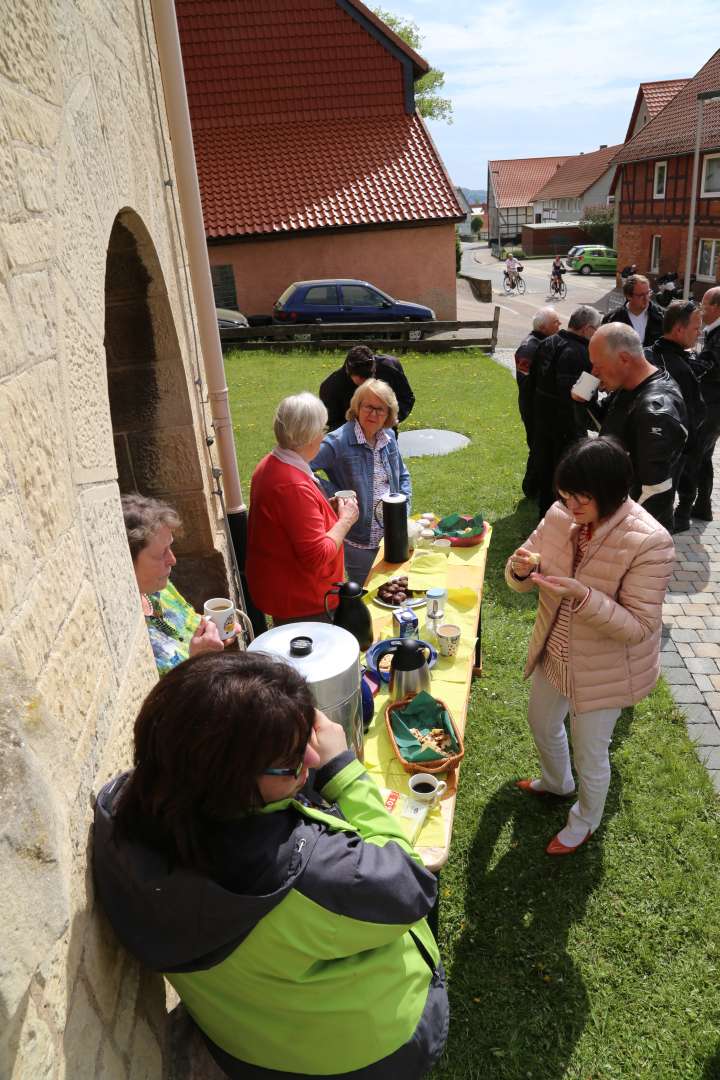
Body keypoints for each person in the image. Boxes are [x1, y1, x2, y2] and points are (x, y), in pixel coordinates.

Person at [93, 651, 447, 1078]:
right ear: (232, 780)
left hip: (248, 1047)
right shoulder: (312, 876)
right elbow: (411, 886)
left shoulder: (121, 812)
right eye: (293, 761)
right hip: (370, 1051)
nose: (311, 761)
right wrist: (344, 771)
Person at [506, 436, 674, 855]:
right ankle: (557, 783)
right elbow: (522, 566)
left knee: (591, 753)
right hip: (556, 650)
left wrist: (581, 596)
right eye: (565, 496)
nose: (571, 508)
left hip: (606, 667)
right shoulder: (561, 514)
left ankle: (585, 821)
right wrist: (519, 569)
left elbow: (639, 626)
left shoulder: (650, 541)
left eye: (581, 499)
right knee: (542, 722)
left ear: (611, 493)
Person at [246, 392, 359, 623]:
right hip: (304, 604)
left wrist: (324, 511)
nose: (323, 436)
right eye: (322, 430)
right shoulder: (292, 486)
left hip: (288, 593)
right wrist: (345, 520)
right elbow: (316, 555)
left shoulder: (273, 462)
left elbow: (290, 522)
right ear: (309, 438)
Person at [589, 323, 687, 533]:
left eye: (598, 365)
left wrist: (620, 535)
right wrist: (584, 401)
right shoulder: (629, 384)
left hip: (633, 536)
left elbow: (654, 492)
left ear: (624, 359)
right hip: (614, 514)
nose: (594, 372)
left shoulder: (654, 411)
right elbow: (609, 427)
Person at [312, 379, 411, 585]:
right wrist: (337, 493)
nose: (373, 414)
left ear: (389, 414)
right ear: (357, 407)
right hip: (359, 541)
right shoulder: (338, 441)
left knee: (393, 590)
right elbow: (302, 468)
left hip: (392, 535)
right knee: (367, 595)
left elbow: (402, 476)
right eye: (368, 407)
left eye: (380, 409)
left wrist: (403, 510)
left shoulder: (388, 437)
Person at [122, 493, 226, 675]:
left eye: (170, 547)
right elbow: (168, 700)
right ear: (126, 562)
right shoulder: (129, 633)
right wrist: (198, 661)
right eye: (161, 553)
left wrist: (216, 634)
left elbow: (190, 626)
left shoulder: (158, 589)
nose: (173, 560)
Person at [530, 304, 602, 518]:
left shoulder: (547, 342)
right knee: (565, 477)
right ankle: (557, 520)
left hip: (543, 421)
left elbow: (533, 381)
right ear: (587, 329)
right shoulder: (581, 353)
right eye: (597, 330)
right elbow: (582, 397)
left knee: (546, 472)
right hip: (567, 427)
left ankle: (545, 515)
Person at [644, 300, 706, 532]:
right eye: (695, 328)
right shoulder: (680, 368)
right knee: (660, 510)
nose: (699, 332)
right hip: (669, 454)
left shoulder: (646, 355)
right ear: (679, 329)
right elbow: (696, 414)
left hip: (642, 447)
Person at [676, 286, 720, 522]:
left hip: (712, 408)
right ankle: (703, 506)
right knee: (703, 457)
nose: (701, 310)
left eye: (705, 305)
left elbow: (711, 366)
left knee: (692, 456)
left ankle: (682, 513)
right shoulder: (714, 331)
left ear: (717, 308)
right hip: (712, 407)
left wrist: (687, 360)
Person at [514, 307, 561, 498]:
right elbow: (526, 383)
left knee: (540, 446)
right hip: (533, 407)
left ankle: (535, 486)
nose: (560, 325)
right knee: (538, 446)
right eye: (556, 322)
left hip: (539, 405)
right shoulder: (529, 347)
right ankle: (532, 487)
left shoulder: (544, 342)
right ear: (543, 327)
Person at [319, 345, 415, 432]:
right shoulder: (331, 387)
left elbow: (406, 398)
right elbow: (333, 423)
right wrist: (362, 428)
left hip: (385, 432)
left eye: (369, 376)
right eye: (361, 378)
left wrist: (390, 418)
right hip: (349, 440)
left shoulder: (389, 367)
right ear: (348, 371)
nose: (366, 383)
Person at [601, 274, 663, 346]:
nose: (646, 299)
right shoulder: (612, 319)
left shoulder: (661, 315)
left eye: (648, 293)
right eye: (641, 295)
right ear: (628, 296)